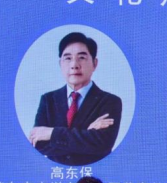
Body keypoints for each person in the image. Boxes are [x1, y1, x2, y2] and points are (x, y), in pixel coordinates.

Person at [31, 32, 123, 166]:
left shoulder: (110, 101)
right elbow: (39, 145)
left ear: (95, 63)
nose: (74, 65)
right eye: (68, 58)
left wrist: (51, 133)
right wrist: (86, 133)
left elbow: (102, 144)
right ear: (60, 64)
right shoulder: (48, 100)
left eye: (82, 57)